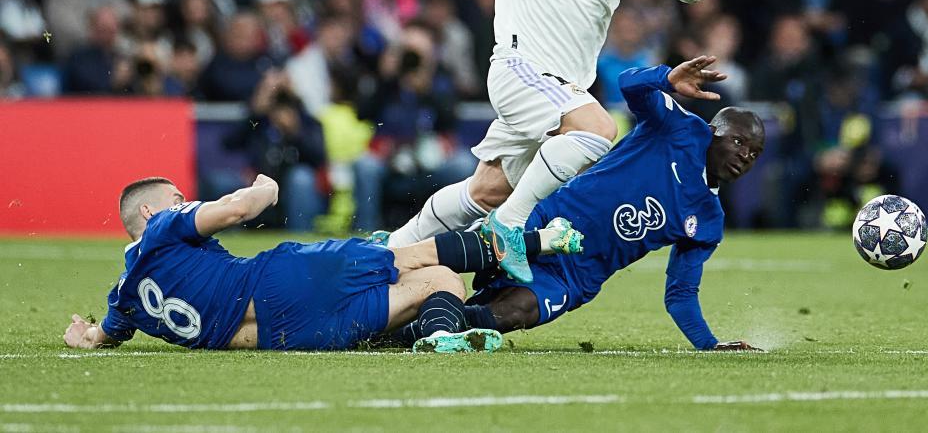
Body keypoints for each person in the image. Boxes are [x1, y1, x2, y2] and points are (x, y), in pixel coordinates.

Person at [386, 0, 716, 287]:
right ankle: (508, 226)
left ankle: (389, 250)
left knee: (485, 190)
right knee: (598, 130)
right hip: (519, 67)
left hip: (565, 85)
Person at [394, 61, 765, 351]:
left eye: (754, 153)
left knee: (512, 312)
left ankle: (402, 333)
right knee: (450, 258)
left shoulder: (709, 220)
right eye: (739, 142)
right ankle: (383, 264)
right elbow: (630, 83)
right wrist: (666, 78)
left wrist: (709, 344)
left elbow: (680, 294)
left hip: (574, 277)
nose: (745, 156)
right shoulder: (679, 127)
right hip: (544, 222)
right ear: (713, 131)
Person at [62, 175, 584, 354]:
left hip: (284, 337)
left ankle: (441, 338)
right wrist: (264, 187)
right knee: (412, 254)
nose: (184, 201)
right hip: (279, 281)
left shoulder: (124, 298)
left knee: (439, 281)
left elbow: (100, 337)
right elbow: (238, 209)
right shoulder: (162, 225)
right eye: (176, 197)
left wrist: (82, 336)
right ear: (149, 213)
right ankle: (538, 241)